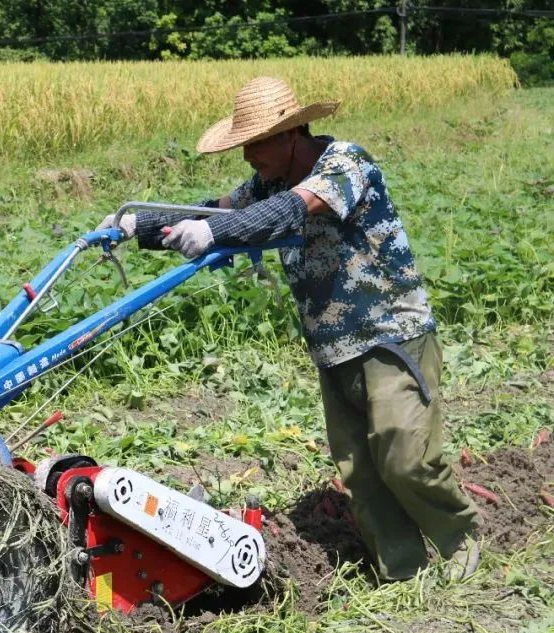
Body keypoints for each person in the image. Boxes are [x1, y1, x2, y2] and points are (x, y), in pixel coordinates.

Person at [98, 76, 481, 582]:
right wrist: (136, 225)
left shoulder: (345, 164)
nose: (248, 156)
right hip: (333, 346)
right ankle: (402, 571)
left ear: (291, 134)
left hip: (390, 334)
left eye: (256, 143)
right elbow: (215, 211)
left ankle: (460, 541)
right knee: (362, 473)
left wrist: (216, 232)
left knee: (404, 455)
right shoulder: (267, 183)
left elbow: (290, 210)